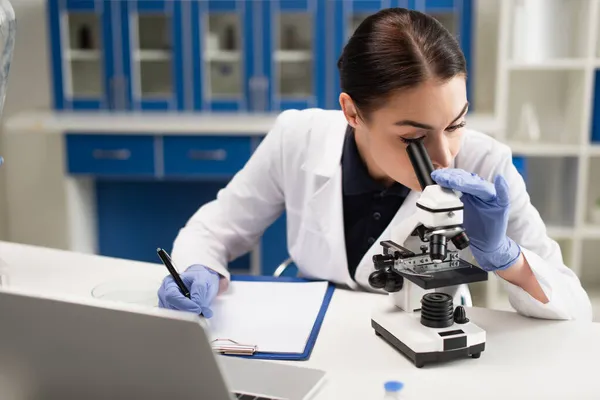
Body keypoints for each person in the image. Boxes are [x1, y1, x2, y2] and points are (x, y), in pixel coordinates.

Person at [157, 8, 592, 321]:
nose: (444, 157)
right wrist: (197, 266)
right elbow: (217, 227)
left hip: (429, 336)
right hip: (318, 338)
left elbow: (574, 307)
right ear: (352, 113)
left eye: (456, 124)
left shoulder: (485, 162)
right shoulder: (297, 137)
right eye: (413, 138)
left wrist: (506, 258)